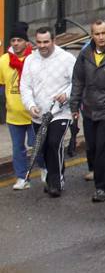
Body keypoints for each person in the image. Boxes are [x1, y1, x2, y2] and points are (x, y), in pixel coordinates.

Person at [68, 19, 105, 202]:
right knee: (93, 147)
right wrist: (74, 106)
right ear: (91, 35)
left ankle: (101, 187)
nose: (101, 37)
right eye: (97, 34)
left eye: (104, 33)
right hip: (89, 109)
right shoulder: (85, 54)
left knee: (102, 148)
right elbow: (78, 80)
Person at [18, 27, 76, 197]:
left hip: (60, 112)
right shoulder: (30, 60)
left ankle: (56, 183)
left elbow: (77, 82)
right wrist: (30, 105)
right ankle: (52, 177)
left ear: (53, 41)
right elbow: (25, 86)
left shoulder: (66, 59)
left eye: (46, 42)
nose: (42, 46)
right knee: (43, 147)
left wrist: (66, 94)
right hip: (39, 114)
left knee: (54, 143)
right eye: (39, 42)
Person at [1, 26, 34, 190]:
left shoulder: (34, 59)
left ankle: (45, 169)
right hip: (14, 115)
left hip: (34, 113)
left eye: (19, 40)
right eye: (13, 40)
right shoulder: (3, 61)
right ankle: (22, 178)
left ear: (26, 42)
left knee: (38, 146)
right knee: (18, 149)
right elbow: (1, 85)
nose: (16, 43)